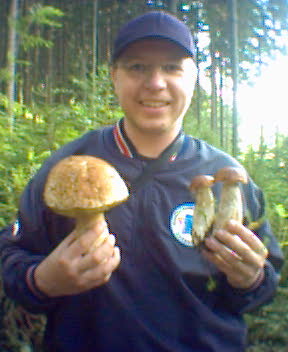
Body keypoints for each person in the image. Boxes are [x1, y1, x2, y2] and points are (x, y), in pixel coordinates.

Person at [0, 11, 284, 352]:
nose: (155, 83)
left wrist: (250, 279)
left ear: (193, 78)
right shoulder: (68, 167)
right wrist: (41, 281)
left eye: (172, 67)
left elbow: (264, 284)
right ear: (114, 77)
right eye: (137, 67)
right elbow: (10, 255)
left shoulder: (229, 179)